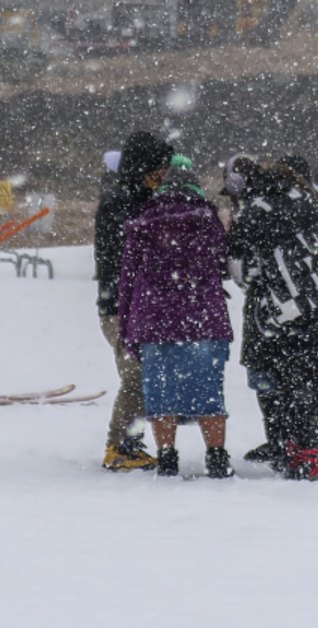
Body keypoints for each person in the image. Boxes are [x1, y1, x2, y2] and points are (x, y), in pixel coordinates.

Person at [227, 158, 318, 480]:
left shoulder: (255, 211)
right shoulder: (310, 200)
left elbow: (244, 269)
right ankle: (305, 449)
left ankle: (299, 451)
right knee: (313, 381)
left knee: (290, 381)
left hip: (294, 308)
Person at [118, 163, 235, 478]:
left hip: (155, 319)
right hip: (203, 318)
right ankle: (217, 456)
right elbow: (223, 263)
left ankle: (167, 456)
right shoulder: (207, 219)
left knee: (160, 391)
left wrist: (127, 326)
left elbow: (128, 278)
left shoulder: (143, 221)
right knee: (208, 390)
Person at [95, 131, 173, 471]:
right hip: (122, 308)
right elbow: (122, 260)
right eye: (159, 168)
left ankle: (131, 442)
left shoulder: (141, 197)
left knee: (146, 374)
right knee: (137, 375)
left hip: (140, 305)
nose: (164, 174)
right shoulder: (121, 203)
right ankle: (119, 447)